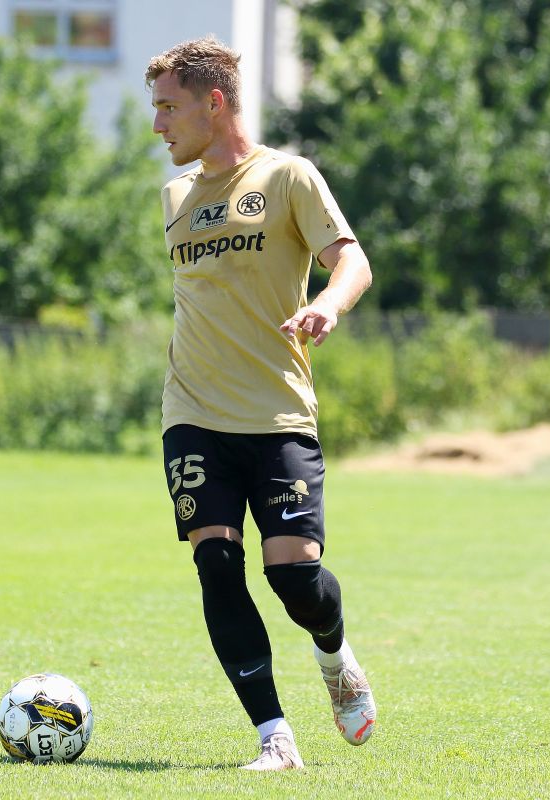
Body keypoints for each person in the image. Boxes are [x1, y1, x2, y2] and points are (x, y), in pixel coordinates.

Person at [146, 36, 377, 771]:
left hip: (277, 415)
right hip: (192, 413)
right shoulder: (175, 197)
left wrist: (327, 305)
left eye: (169, 107)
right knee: (217, 564)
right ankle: (273, 735)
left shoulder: (287, 176)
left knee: (293, 578)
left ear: (214, 103)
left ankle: (334, 653)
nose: (158, 124)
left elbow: (352, 260)